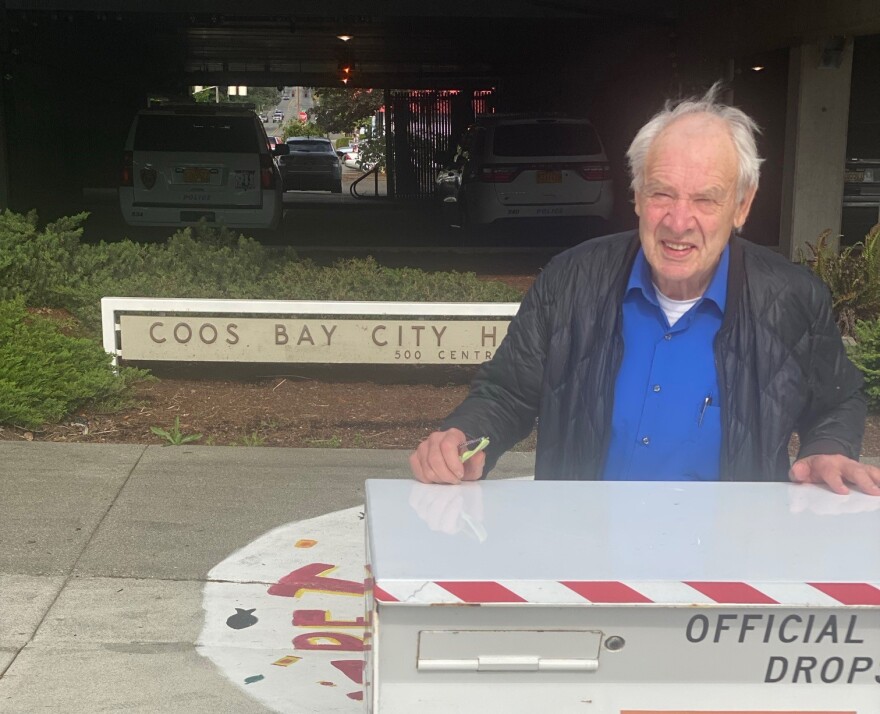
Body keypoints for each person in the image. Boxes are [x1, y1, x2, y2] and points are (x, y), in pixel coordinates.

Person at [410, 83, 880, 497]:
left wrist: (828, 449)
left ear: (742, 206)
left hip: (728, 566)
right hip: (587, 561)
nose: (679, 221)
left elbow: (837, 399)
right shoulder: (569, 280)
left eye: (705, 199)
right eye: (661, 194)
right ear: (635, 195)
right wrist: (464, 437)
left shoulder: (792, 298)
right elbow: (507, 393)